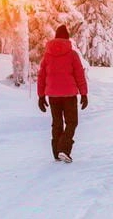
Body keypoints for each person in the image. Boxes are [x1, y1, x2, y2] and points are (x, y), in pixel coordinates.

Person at [37, 24, 88, 163]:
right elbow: (79, 75)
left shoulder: (47, 55)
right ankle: (64, 149)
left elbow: (41, 76)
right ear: (67, 38)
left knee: (57, 123)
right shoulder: (72, 54)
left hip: (53, 95)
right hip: (69, 95)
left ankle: (56, 152)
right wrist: (84, 94)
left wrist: (41, 96)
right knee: (72, 122)